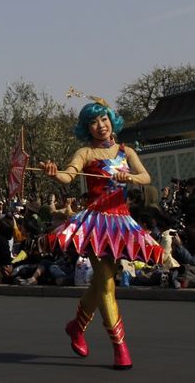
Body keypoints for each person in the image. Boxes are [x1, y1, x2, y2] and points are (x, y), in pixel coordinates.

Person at [41, 99, 163, 370]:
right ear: (87, 128)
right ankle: (120, 347)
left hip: (121, 223)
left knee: (100, 281)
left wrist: (129, 178)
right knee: (107, 283)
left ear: (111, 120)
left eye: (104, 119)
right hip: (96, 223)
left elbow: (146, 177)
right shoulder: (84, 152)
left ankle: (76, 326)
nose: (100, 126)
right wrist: (54, 173)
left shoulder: (126, 150)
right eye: (93, 122)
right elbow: (69, 175)